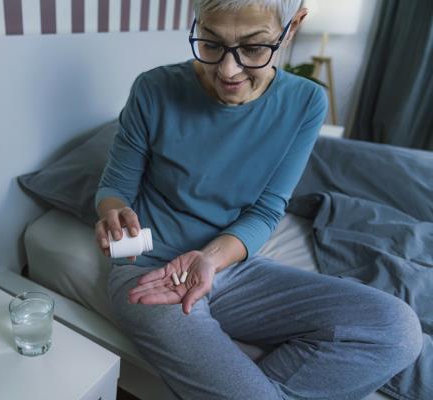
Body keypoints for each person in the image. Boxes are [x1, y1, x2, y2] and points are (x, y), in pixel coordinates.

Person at [94, 1, 423, 399]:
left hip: (228, 266)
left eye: (252, 48)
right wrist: (113, 214)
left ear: (293, 27)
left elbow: (267, 209)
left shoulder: (305, 102)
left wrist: (210, 260)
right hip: (150, 272)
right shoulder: (154, 88)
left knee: (398, 329)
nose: (227, 71)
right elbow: (115, 186)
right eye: (211, 43)